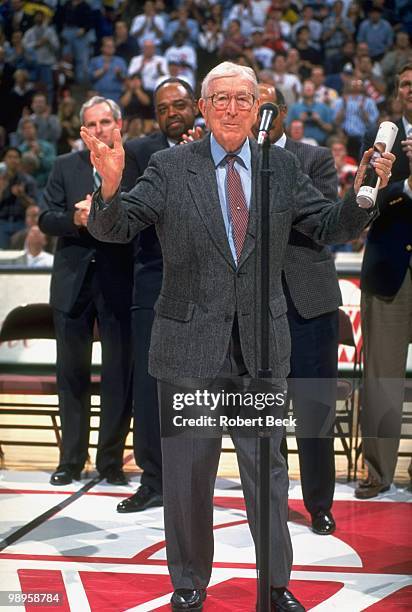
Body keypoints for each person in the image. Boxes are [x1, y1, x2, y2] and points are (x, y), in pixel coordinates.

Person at [80, 62, 393, 612]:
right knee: (187, 480)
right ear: (203, 107)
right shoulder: (170, 166)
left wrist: (366, 191)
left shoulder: (281, 166)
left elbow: (328, 226)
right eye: (219, 98)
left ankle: (274, 586)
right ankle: (188, 585)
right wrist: (109, 185)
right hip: (186, 351)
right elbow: (117, 225)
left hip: (261, 349)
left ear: (257, 109)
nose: (230, 108)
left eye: (242, 99)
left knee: (268, 478)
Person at [252, 84, 340, 535]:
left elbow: (323, 222)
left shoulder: (315, 158)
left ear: (282, 112)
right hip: (257, 305)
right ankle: (272, 501)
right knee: (266, 413)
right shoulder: (236, 163)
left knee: (314, 410)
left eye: (266, 107)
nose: (259, 116)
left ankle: (320, 502)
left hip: (309, 303)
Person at [38, 96, 133, 487]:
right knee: (71, 375)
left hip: (118, 281)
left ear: (119, 125)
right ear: (83, 131)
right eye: (91, 124)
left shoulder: (133, 165)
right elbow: (46, 218)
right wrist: (77, 218)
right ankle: (71, 460)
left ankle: (110, 461)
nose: (99, 130)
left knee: (118, 376)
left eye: (106, 122)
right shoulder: (64, 166)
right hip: (72, 282)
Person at [117, 77, 198, 514]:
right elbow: (130, 213)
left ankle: (193, 475)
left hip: (205, 280)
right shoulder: (139, 152)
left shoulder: (216, 146)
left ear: (196, 106)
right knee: (149, 386)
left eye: (180, 104)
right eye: (164, 108)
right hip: (153, 277)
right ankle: (152, 479)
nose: (172, 113)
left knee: (198, 385)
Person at [355, 63, 412, 499]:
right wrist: (404, 183)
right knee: (381, 377)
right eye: (407, 84)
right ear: (399, 91)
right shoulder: (383, 139)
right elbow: (363, 201)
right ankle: (377, 471)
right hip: (389, 270)